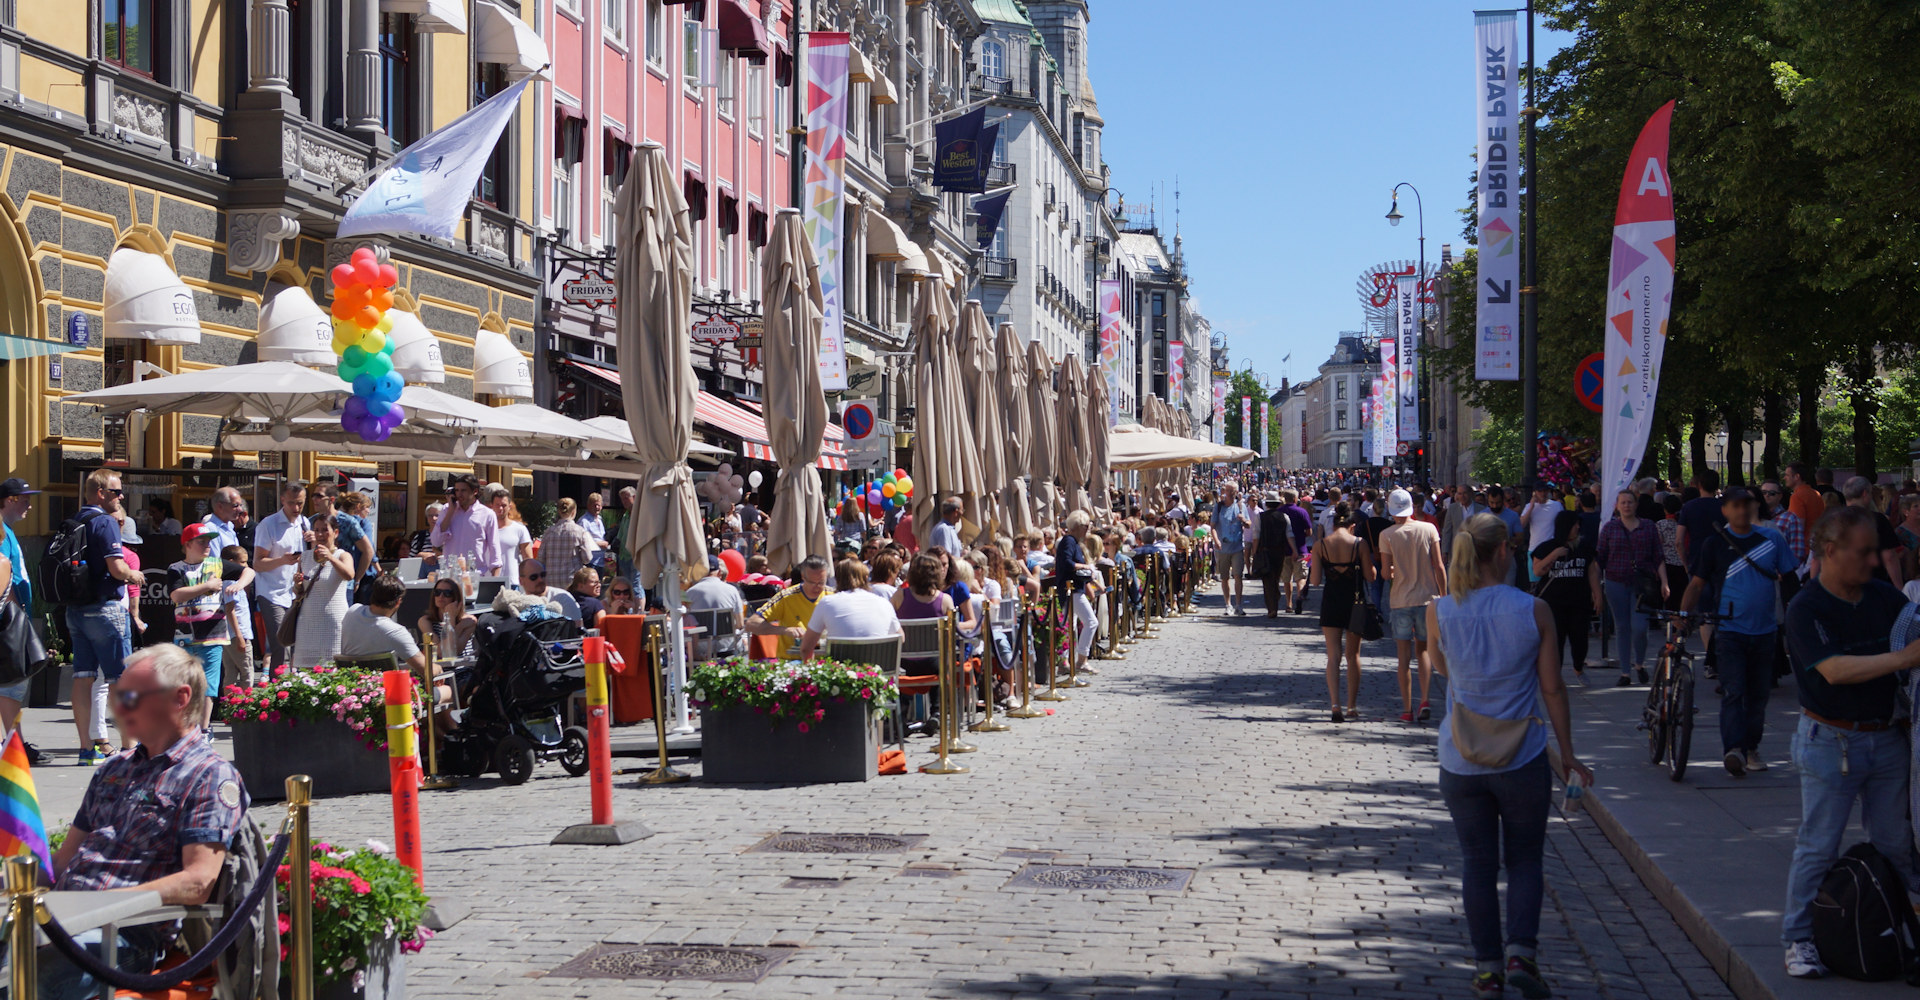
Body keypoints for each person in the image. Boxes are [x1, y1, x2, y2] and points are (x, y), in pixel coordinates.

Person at [1428, 512, 1592, 999]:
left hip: (1461, 756)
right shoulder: (1531, 610)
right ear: (1503, 551)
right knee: (1524, 861)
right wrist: (1569, 756)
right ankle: (1522, 953)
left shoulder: (1441, 610)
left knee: (1477, 864)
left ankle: (1486, 971)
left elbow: (1442, 671)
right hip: (1521, 754)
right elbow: (1553, 689)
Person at [42, 643, 249, 1000]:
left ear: (180, 698)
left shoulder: (209, 776)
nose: (119, 706)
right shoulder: (114, 769)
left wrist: (103, 904)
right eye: (119, 694)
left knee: (32, 975)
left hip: (125, 933)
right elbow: (61, 861)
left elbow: (197, 881)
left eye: (133, 695)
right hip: (61, 917)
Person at [1778, 506, 1920, 979]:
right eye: (1864, 553)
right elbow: (1834, 671)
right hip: (1828, 740)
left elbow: (1912, 629)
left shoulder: (1884, 597)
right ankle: (1798, 941)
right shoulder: (1806, 608)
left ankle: (1910, 928)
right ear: (1831, 551)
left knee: (1898, 841)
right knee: (1818, 844)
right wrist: (1900, 657)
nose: (1875, 561)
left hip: (1885, 738)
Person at [1681, 487, 1798, 776]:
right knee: (1734, 692)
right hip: (1730, 631)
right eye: (1735, 505)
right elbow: (1697, 583)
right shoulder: (1714, 544)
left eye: (1747, 504)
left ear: (1754, 507)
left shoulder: (1772, 540)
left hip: (1766, 631)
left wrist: (1797, 619)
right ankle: (1734, 749)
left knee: (1759, 696)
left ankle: (1751, 747)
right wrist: (1683, 615)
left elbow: (1790, 582)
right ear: (1725, 511)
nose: (1742, 510)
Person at [67, 470, 146, 765]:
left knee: (82, 678)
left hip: (76, 610)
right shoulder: (105, 522)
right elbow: (117, 569)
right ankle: (130, 747)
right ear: (100, 492)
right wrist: (134, 574)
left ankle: (86, 750)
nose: (121, 496)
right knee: (121, 680)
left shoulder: (73, 521)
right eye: (116, 492)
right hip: (105, 609)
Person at [1379, 489, 1447, 723]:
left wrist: (1394, 570)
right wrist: (1444, 595)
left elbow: (1386, 574)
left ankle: (1407, 709)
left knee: (1403, 657)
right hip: (1427, 599)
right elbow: (1439, 565)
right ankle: (1425, 700)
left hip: (1400, 601)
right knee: (1424, 651)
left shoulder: (1387, 535)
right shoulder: (1429, 529)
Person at [1595, 489, 1667, 687]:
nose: (1626, 505)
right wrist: (1594, 589)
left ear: (1636, 505)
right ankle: (1625, 672)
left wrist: (1664, 582)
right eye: (1623, 502)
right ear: (1617, 506)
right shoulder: (1610, 528)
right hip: (1615, 582)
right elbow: (1599, 559)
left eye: (1630, 502)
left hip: (1642, 585)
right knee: (1622, 627)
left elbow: (1658, 556)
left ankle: (1640, 663)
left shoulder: (1648, 527)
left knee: (1639, 627)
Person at [1310, 503, 1374, 722]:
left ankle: (1335, 704)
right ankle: (1352, 706)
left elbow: (1316, 581)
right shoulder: (1360, 544)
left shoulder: (1321, 545)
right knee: (1353, 654)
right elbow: (1370, 576)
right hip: (1355, 601)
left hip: (1331, 600)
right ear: (1352, 525)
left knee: (1333, 655)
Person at [0, 479, 45, 761]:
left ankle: (15, 743)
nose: (30, 504)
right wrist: (16, 618)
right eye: (25, 498)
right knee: (12, 684)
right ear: (11, 499)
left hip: (13, 618)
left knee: (11, 686)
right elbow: (6, 585)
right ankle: (14, 745)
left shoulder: (9, 532)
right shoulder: (3, 534)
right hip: (8, 621)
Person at [251, 482, 310, 679]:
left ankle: (291, 687)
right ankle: (279, 691)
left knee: (295, 645)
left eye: (300, 503)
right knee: (280, 643)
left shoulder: (304, 524)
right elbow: (257, 563)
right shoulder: (269, 524)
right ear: (282, 500)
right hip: (270, 592)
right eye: (292, 503)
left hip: (294, 591)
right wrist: (282, 560)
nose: (296, 508)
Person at [1531, 510, 1595, 684]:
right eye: (1574, 524)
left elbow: (1592, 570)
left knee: (1580, 640)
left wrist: (1597, 595)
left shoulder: (1584, 546)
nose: (1577, 528)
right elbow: (1537, 571)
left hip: (1579, 602)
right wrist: (1553, 555)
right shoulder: (1547, 547)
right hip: (1554, 604)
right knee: (1556, 642)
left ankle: (1578, 667)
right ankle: (1555, 676)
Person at [289, 514, 355, 670]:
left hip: (333, 620)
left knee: (333, 667)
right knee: (307, 670)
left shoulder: (342, 555)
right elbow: (300, 591)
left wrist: (331, 558)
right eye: (316, 530)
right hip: (308, 620)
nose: (319, 534)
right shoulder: (305, 557)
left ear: (335, 533)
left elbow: (349, 575)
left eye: (325, 530)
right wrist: (297, 584)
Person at [798, 559, 901, 658]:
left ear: (837, 580)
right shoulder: (884, 602)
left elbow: (806, 649)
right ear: (866, 578)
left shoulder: (827, 602)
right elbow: (901, 637)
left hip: (842, 673)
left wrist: (812, 671)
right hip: (877, 673)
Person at [338, 573, 427, 673]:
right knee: (444, 688)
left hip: (353, 684)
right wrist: (439, 669)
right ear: (398, 602)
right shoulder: (396, 631)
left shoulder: (353, 612)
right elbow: (426, 670)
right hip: (385, 686)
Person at [748, 555, 832, 659]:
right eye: (811, 582)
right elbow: (751, 624)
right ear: (803, 577)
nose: (816, 587)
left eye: (821, 583)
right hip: (792, 662)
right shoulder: (786, 597)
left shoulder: (832, 596)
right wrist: (784, 630)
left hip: (825, 661)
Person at [1840, 476, 1906, 590]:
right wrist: (1899, 587)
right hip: (1872, 583)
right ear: (1865, 493)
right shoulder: (1877, 520)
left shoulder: (1832, 520)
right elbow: (1889, 556)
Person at [429, 474, 499, 576]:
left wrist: (495, 578)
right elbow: (436, 541)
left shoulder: (487, 514)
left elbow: (494, 547)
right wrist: (450, 512)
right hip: (451, 574)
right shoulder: (447, 509)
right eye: (457, 490)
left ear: (475, 491)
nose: (459, 494)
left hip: (476, 574)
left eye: (463, 490)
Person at [683, 556, 746, 658]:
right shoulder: (732, 590)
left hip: (700, 649)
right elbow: (740, 624)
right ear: (719, 572)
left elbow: (685, 623)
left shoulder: (690, 593)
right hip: (727, 646)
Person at [1248, 491, 1293, 618]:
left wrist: (1255, 552)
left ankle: (1272, 607)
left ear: (1267, 504)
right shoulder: (1284, 517)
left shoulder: (1260, 517)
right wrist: (1294, 550)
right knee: (1275, 578)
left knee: (1267, 580)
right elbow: (1290, 535)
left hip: (1264, 550)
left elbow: (1256, 536)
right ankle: (1274, 602)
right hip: (1279, 552)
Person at [1210, 481, 1251, 617]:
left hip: (1237, 546)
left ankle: (1239, 604)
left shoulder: (1241, 506)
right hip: (1222, 548)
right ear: (1224, 491)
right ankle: (1228, 604)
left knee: (1238, 575)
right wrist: (1216, 541)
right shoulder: (1219, 507)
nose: (1230, 493)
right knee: (1225, 577)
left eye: (1233, 491)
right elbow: (1213, 526)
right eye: (1228, 490)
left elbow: (1249, 524)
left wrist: (1244, 519)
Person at [539, 498, 596, 589]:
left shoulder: (548, 532)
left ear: (559, 511)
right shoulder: (580, 531)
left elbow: (541, 557)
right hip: (572, 580)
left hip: (552, 580)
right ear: (574, 511)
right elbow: (587, 559)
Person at [418, 578, 478, 657]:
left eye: (447, 593)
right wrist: (452, 621)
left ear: (456, 597)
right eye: (437, 592)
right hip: (439, 667)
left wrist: (450, 619)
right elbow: (439, 652)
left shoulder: (469, 621)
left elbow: (454, 652)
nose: (441, 596)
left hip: (462, 667)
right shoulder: (425, 621)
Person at [486, 485, 533, 585]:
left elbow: (528, 558)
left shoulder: (519, 529)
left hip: (512, 582)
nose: (500, 508)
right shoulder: (484, 529)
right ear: (491, 505)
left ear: (509, 506)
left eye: (503, 505)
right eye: (497, 505)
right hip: (487, 581)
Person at [516, 558, 581, 620]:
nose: (540, 580)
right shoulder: (520, 604)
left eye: (543, 575)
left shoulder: (562, 598)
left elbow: (577, 626)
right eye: (534, 577)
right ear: (521, 581)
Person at [1654, 494, 1688, 612]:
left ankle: (1672, 625)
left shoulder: (1660, 524)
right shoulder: (1683, 524)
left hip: (1666, 564)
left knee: (1669, 598)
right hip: (1683, 563)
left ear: (1664, 509)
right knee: (1681, 597)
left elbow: (1657, 545)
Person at [579, 490, 613, 569]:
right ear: (588, 505)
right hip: (590, 561)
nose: (597, 508)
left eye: (599, 505)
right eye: (594, 505)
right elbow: (582, 541)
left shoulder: (600, 519)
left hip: (601, 561)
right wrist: (600, 544)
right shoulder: (584, 522)